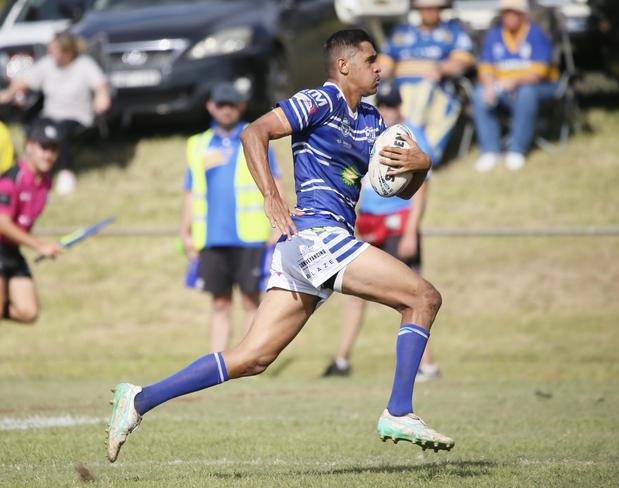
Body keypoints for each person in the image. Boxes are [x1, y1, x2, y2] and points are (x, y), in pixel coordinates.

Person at [106, 29, 454, 463]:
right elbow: (255, 132)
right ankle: (399, 409)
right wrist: (271, 195)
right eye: (371, 60)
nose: (379, 68)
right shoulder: (320, 100)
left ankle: (138, 400)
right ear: (344, 66)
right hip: (315, 237)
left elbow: (396, 192)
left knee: (252, 358)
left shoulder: (372, 123)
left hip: (316, 246)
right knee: (423, 297)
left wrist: (422, 165)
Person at [322, 82, 440, 382]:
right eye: (383, 104)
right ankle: (341, 360)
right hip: (369, 222)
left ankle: (426, 366)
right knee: (355, 294)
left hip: (398, 222)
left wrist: (411, 231)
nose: (388, 110)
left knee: (414, 294)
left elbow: (422, 187)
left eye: (392, 104)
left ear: (400, 105)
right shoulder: (370, 133)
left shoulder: (411, 136)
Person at [180, 81, 281, 353]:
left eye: (232, 105)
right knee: (220, 303)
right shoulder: (198, 145)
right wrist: (185, 231)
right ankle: (217, 363)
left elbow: (275, 184)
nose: (226, 110)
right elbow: (191, 192)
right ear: (210, 107)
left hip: (250, 237)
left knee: (251, 301)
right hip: (213, 237)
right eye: (221, 105)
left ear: (241, 107)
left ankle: (248, 357)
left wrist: (278, 225)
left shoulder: (255, 137)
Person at [0, 32, 111, 194]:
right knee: (34, 129)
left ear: (67, 52)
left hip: (76, 117)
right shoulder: (47, 64)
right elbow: (24, 81)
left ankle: (66, 172)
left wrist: (102, 97)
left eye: (55, 50)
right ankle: (27, 172)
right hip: (50, 115)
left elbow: (101, 86)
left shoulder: (84, 65)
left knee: (59, 132)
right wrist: (7, 95)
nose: (51, 54)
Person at [378, 0, 474, 166]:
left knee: (422, 94)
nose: (429, 11)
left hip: (437, 91)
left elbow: (461, 64)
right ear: (417, 9)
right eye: (425, 7)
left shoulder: (452, 31)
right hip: (399, 91)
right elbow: (383, 66)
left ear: (441, 8)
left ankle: (407, 152)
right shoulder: (402, 33)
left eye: (434, 7)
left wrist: (440, 68)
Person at [473, 0, 559, 172]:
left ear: (523, 15)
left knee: (525, 93)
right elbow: (485, 69)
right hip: (502, 88)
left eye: (513, 12)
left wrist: (513, 81)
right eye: (506, 12)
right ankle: (490, 150)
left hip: (539, 88)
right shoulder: (495, 35)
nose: (509, 17)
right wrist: (490, 86)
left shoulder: (535, 34)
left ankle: (516, 149)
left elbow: (538, 74)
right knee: (479, 92)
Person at [0, 119, 62, 325]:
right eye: (44, 148)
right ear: (29, 146)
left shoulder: (46, 183)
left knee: (28, 312)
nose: (48, 155)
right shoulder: (10, 180)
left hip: (11, 250)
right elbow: (2, 223)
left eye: (53, 149)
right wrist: (40, 246)